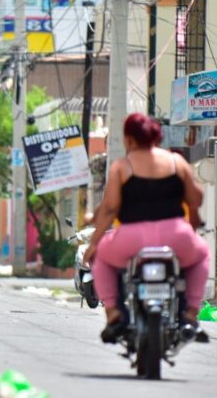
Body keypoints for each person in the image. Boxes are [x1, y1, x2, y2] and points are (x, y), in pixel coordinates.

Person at [83, 113, 209, 343]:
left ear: (129, 140)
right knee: (201, 256)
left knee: (100, 258)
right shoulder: (176, 162)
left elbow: (110, 209)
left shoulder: (122, 167)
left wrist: (93, 245)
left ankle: (114, 315)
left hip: (131, 238)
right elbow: (195, 197)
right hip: (175, 235)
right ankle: (190, 315)